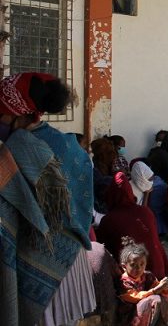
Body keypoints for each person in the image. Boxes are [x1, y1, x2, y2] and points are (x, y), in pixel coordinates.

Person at [0, 72, 96, 325]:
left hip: (39, 265)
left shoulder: (16, 151)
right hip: (70, 260)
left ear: (18, 114)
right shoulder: (69, 145)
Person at [97, 172, 168, 280]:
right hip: (159, 271)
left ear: (110, 194)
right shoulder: (145, 211)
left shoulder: (109, 220)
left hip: (134, 278)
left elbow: (104, 249)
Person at [117, 237, 168, 326]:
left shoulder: (147, 276)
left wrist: (164, 287)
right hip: (130, 317)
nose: (138, 268)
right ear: (124, 266)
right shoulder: (124, 282)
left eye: (142, 264)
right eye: (133, 265)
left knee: (164, 296)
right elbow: (134, 297)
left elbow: (157, 286)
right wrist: (154, 291)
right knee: (154, 299)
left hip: (144, 313)